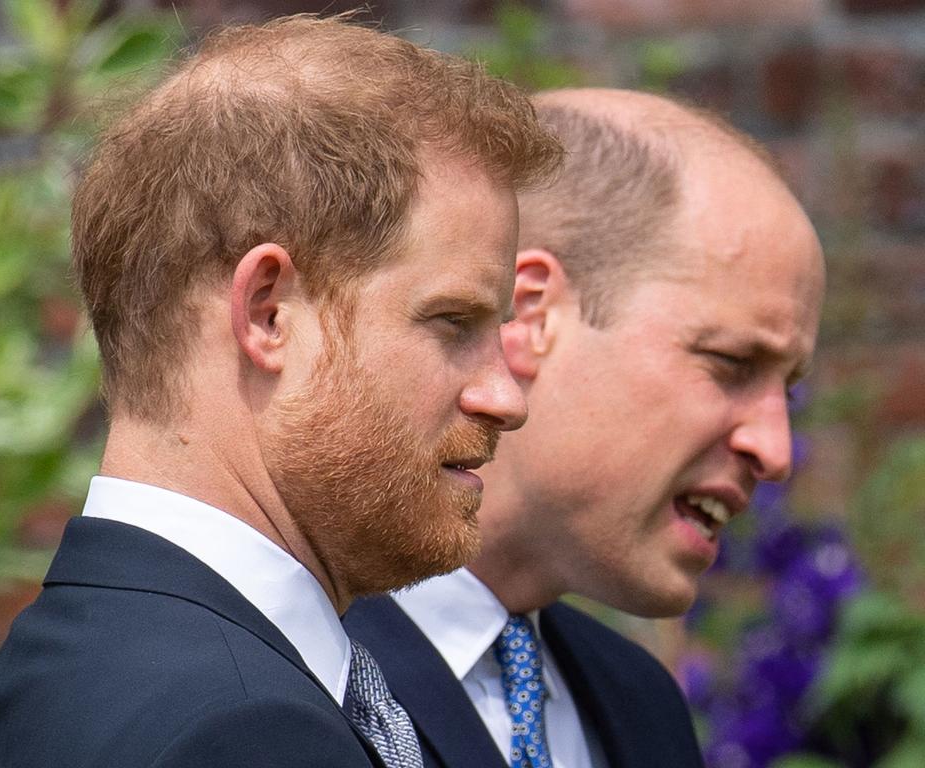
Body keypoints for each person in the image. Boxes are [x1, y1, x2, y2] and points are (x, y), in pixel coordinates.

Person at [0, 16, 562, 768]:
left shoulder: (82, 660)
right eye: (452, 322)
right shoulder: (240, 732)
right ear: (268, 312)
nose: (507, 396)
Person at [345, 88, 826, 768]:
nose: (774, 450)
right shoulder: (289, 666)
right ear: (531, 313)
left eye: (789, 389)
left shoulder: (641, 708)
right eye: (731, 363)